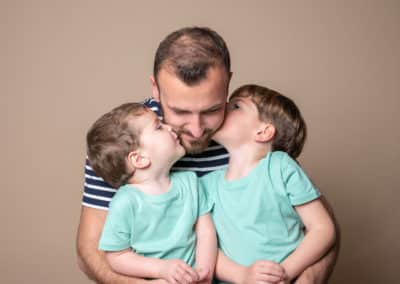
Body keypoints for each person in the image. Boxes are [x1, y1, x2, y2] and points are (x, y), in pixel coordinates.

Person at [76, 26, 339, 283]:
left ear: (227, 84)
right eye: (180, 112)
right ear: (156, 88)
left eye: (211, 110)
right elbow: (91, 251)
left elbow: (320, 228)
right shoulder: (123, 141)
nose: (196, 128)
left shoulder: (244, 134)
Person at [200, 84, 336, 284]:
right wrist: (242, 275)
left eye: (236, 106)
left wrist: (284, 273)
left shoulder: (280, 167)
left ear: (263, 132)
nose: (223, 107)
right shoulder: (207, 185)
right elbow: (206, 249)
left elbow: (323, 229)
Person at [86, 102, 216, 283]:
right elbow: (117, 256)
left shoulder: (191, 183)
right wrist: (162, 269)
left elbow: (206, 232)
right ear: (139, 159)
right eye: (159, 127)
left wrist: (204, 272)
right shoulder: (125, 202)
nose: (170, 128)